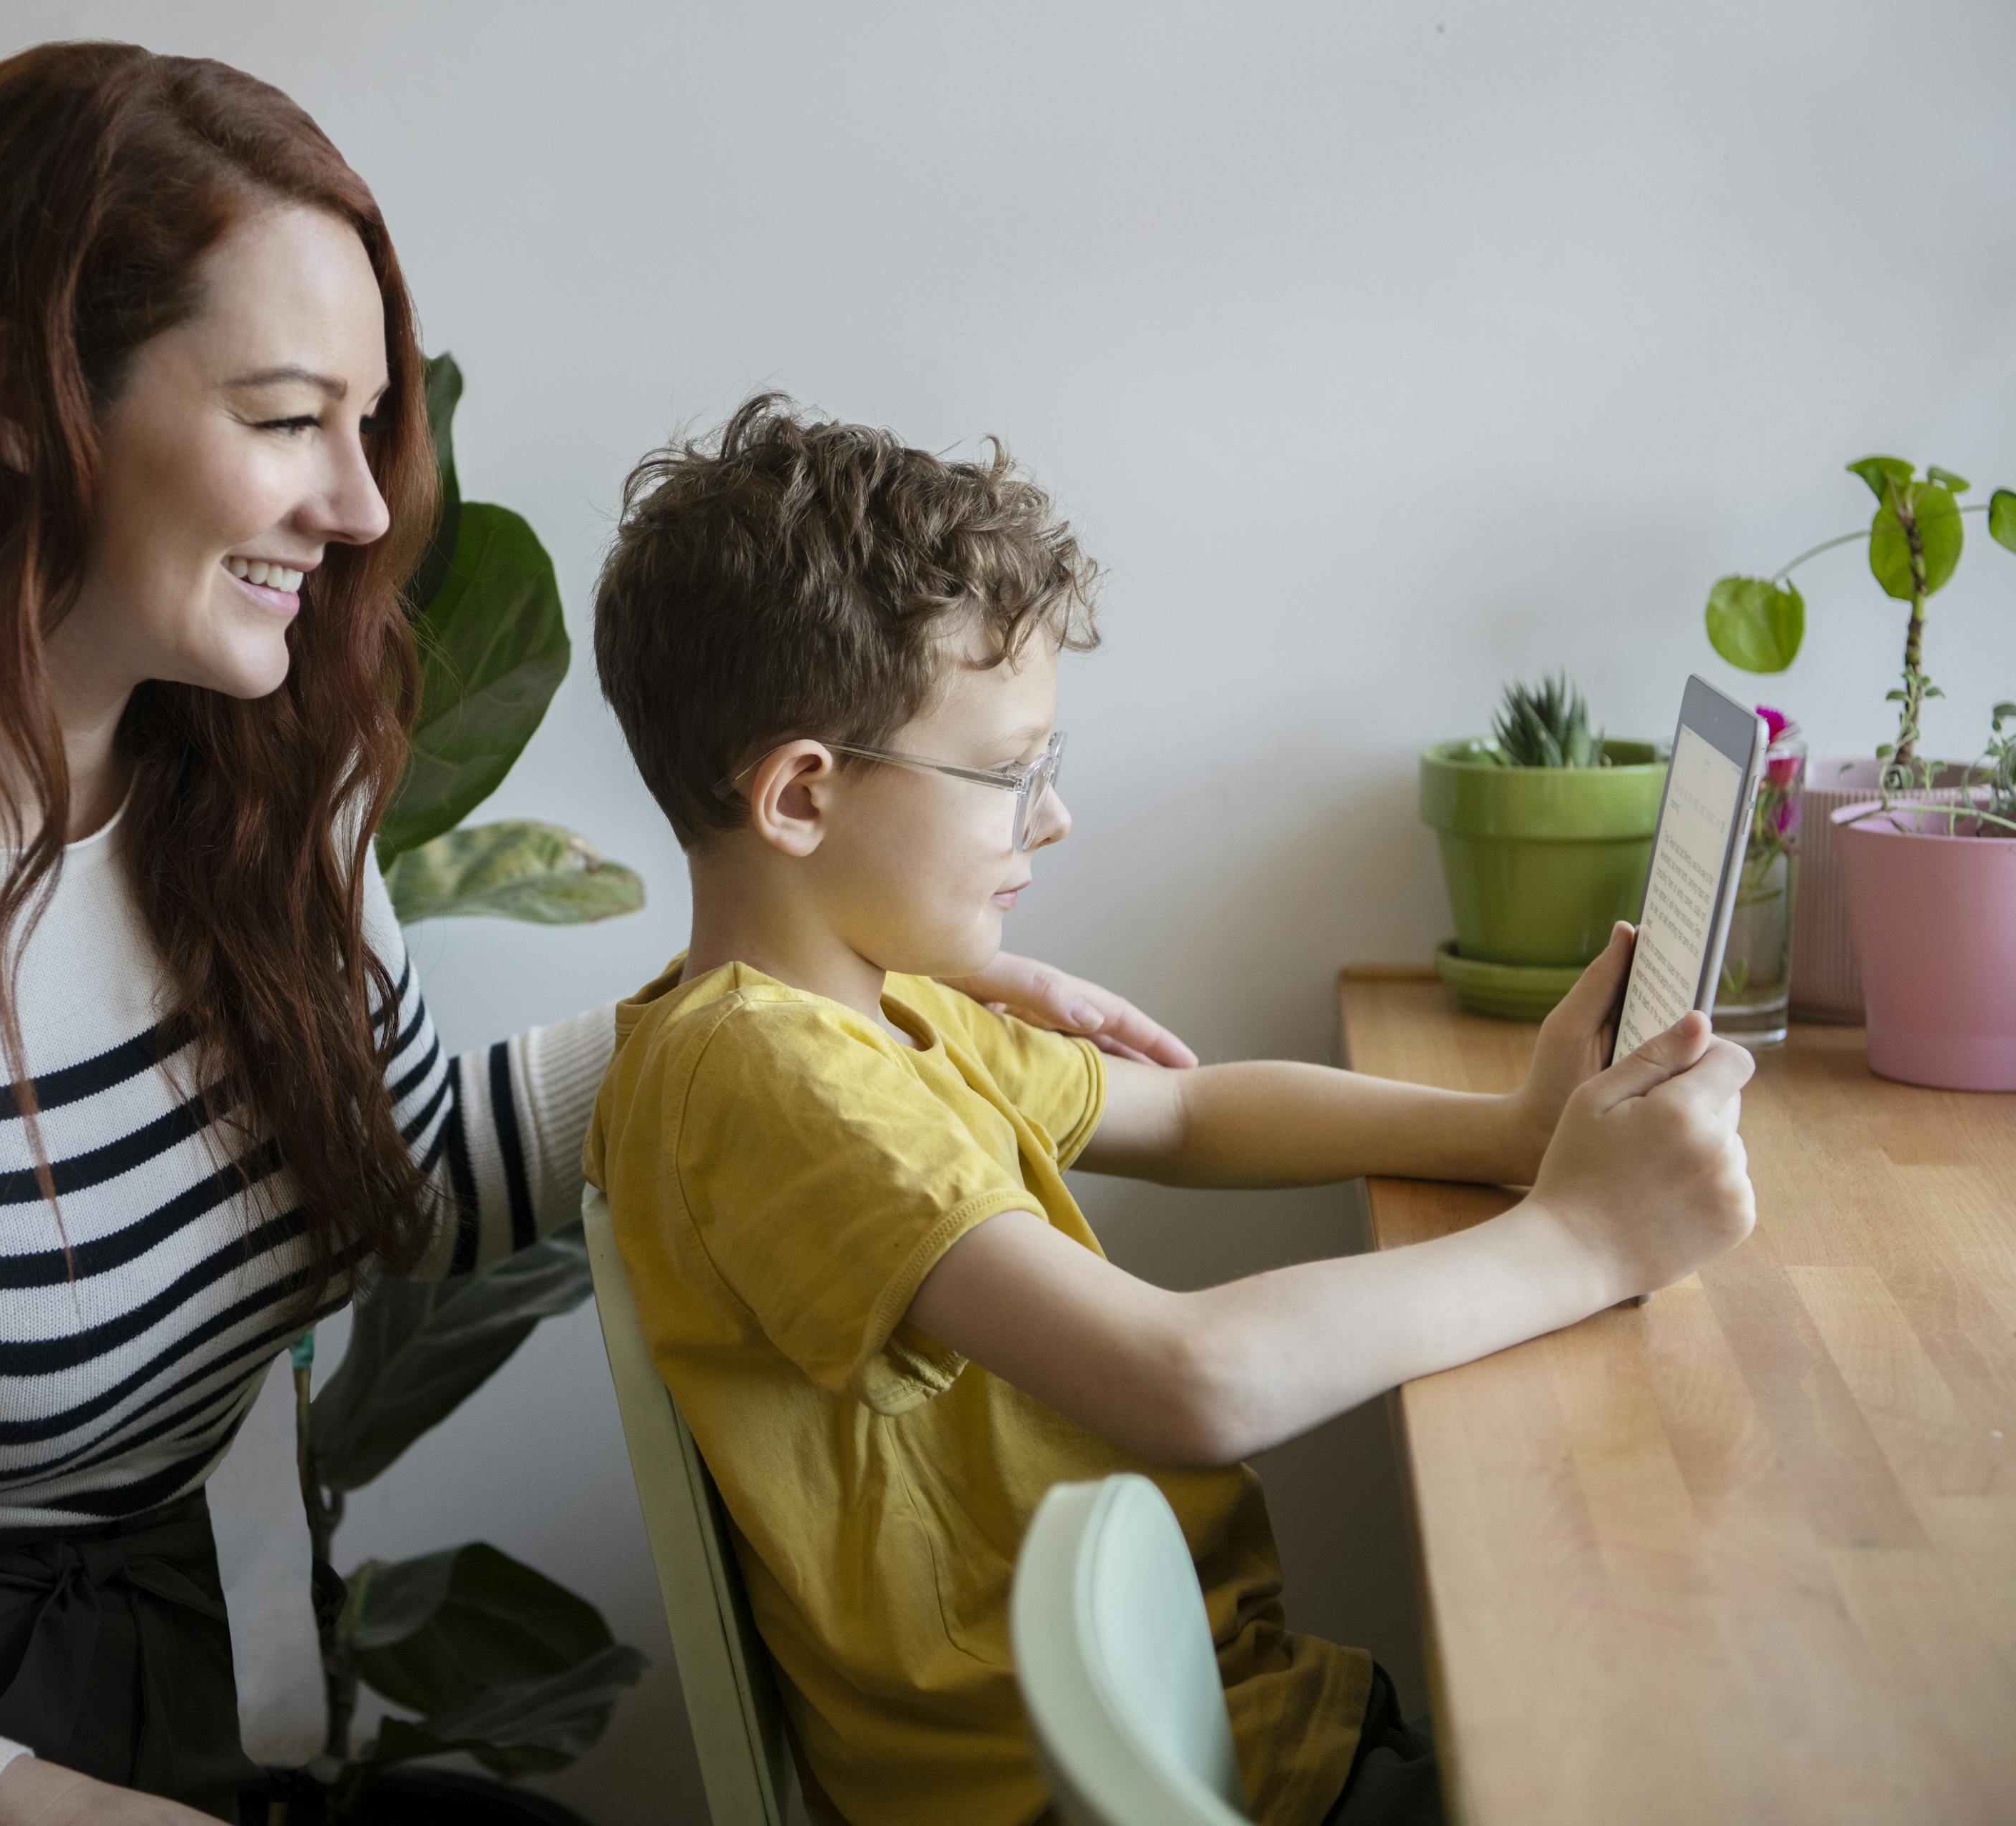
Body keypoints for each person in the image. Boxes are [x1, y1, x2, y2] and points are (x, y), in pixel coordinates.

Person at [0, 46, 1178, 1826]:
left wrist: (809, 1013)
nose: (367, 502)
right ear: (14, 400)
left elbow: (397, 1174)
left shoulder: (254, 799)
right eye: (289, 419)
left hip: (111, 1723)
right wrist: (38, 1810)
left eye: (366, 425)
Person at [583, 397, 1758, 1826]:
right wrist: (1583, 1243)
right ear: (803, 798)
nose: (1051, 818)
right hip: (1107, 1782)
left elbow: (1192, 1117)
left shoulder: (875, 1011)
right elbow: (1196, 1379)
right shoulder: (768, 1080)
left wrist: (1508, 1136)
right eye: (1009, 774)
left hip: (1207, 1718)